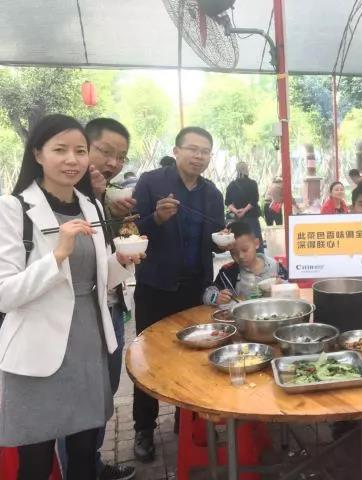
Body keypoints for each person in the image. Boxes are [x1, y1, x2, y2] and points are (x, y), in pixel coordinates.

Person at [0, 114, 141, 480]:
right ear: (38, 153)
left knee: (83, 455)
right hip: (37, 353)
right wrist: (58, 254)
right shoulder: (13, 209)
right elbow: (5, 294)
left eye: (80, 151)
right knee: (35, 464)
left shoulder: (90, 206)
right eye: (60, 150)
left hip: (87, 345)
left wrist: (123, 261)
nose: (72, 160)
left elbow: (96, 280)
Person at [131, 126, 225, 461]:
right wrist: (156, 218)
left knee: (195, 358)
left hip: (195, 290)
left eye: (205, 151)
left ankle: (187, 421)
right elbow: (131, 230)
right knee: (148, 360)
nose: (199, 156)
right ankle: (144, 428)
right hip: (155, 287)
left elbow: (216, 238)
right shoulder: (151, 183)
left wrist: (226, 240)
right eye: (192, 149)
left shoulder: (212, 193)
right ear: (176, 151)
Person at [85, 117, 136, 480]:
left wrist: (113, 212)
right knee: (81, 401)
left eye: (121, 156)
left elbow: (112, 252)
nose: (113, 163)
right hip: (81, 316)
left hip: (114, 309)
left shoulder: (104, 196)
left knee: (106, 392)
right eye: (105, 151)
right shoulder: (57, 199)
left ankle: (92, 463)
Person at [203, 221, 288, 304]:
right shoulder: (228, 272)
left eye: (245, 250)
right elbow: (207, 294)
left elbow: (291, 285)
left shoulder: (275, 266)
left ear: (256, 243)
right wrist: (216, 297)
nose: (241, 256)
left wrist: (283, 286)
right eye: (234, 252)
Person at [225, 161, 263, 251]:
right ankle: (259, 258)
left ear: (236, 170)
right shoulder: (252, 183)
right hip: (251, 217)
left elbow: (227, 202)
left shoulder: (231, 185)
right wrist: (245, 210)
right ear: (246, 169)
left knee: (239, 242)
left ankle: (241, 258)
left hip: (237, 219)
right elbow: (254, 200)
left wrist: (236, 211)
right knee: (255, 241)